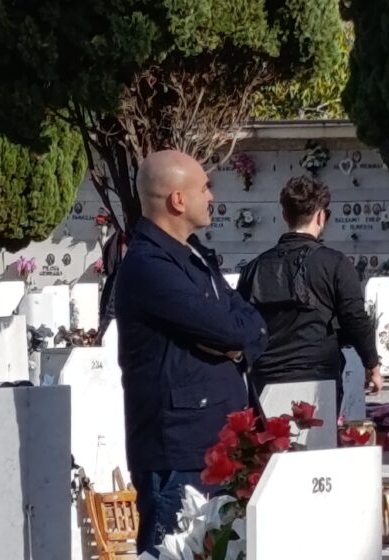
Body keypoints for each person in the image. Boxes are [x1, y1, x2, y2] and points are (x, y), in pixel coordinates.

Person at [114, 150, 268, 555]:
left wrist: (234, 345)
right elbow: (225, 327)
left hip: (218, 441)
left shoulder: (194, 254)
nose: (211, 197)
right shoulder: (148, 266)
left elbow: (249, 322)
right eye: (204, 188)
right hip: (178, 452)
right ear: (178, 200)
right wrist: (232, 338)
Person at [237, 176, 382, 415]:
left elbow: (241, 323)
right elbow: (354, 317)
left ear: (285, 216)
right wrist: (371, 365)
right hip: (317, 375)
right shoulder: (334, 263)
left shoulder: (254, 267)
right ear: (320, 216)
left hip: (266, 375)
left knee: (270, 448)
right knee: (316, 448)